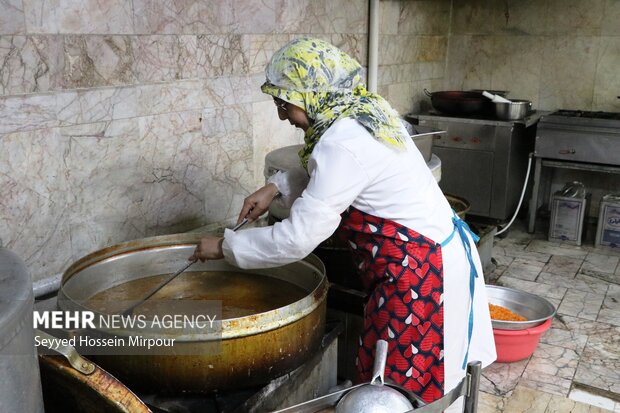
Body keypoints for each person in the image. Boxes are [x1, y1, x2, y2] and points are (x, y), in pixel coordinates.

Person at [191, 37, 496, 408]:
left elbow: (296, 239)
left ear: (314, 94)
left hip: (419, 275)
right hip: (432, 258)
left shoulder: (341, 142)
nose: (283, 116)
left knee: (394, 391)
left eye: (285, 103)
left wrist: (224, 247)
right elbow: (338, 172)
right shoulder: (363, 110)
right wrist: (275, 186)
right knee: (399, 378)